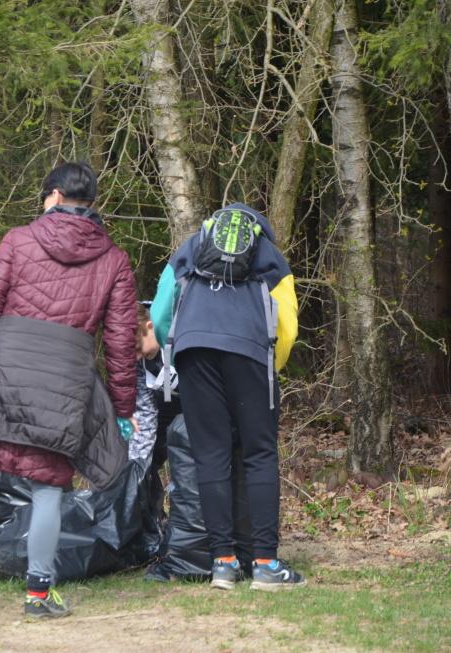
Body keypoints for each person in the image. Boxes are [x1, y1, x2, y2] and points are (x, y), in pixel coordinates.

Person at [0, 162, 138, 619]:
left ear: (56, 196)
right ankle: (39, 593)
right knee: (48, 487)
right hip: (65, 380)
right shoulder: (114, 259)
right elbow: (121, 341)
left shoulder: (18, 239)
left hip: (3, 363)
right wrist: (123, 406)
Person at [149, 202, 301, 591]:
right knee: (260, 453)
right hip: (250, 351)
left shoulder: (192, 246)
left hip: (194, 349)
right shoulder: (269, 254)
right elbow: (288, 324)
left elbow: (163, 307)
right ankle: (266, 564)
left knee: (210, 454)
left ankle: (223, 563)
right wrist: (273, 367)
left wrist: (176, 349)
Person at [131, 303, 181, 527]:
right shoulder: (140, 361)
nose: (137, 356)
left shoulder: (179, 328)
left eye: (139, 349)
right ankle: (154, 520)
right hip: (165, 404)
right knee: (141, 454)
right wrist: (137, 468)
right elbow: (144, 413)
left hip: (201, 400)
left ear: (150, 327)